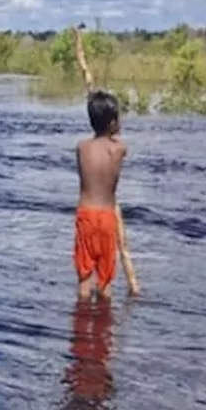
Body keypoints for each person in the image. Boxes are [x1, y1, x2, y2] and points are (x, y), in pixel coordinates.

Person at [74, 90, 140, 300]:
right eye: (118, 117)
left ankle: (81, 326)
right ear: (112, 123)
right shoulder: (119, 148)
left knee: (85, 277)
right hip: (107, 217)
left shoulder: (82, 147)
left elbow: (97, 141)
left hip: (86, 214)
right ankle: (104, 326)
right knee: (105, 280)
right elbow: (116, 143)